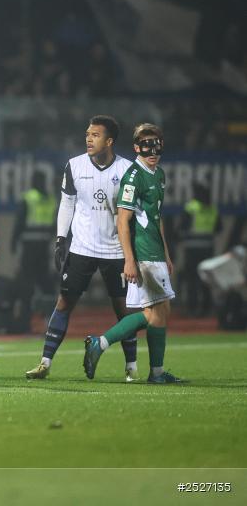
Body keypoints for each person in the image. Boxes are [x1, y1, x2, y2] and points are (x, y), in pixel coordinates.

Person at [24, 116, 138, 381]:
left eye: (95, 135)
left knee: (123, 310)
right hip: (82, 247)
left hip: (115, 250)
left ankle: (131, 367)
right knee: (63, 303)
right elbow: (67, 203)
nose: (89, 138)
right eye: (87, 134)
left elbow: (134, 213)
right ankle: (44, 362)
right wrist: (61, 239)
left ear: (109, 141)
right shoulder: (74, 165)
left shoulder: (127, 170)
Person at [84, 123, 184, 383]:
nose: (153, 151)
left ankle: (155, 371)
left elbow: (156, 217)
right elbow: (122, 221)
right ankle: (102, 343)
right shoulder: (133, 177)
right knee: (157, 312)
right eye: (147, 146)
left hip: (155, 252)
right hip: (143, 254)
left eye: (157, 145)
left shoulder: (158, 174)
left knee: (159, 311)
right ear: (137, 148)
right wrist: (129, 259)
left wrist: (166, 253)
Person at [11, 170, 56, 311]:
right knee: (44, 280)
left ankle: (26, 314)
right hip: (44, 246)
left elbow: (19, 222)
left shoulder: (28, 198)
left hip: (30, 247)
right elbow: (55, 224)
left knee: (27, 280)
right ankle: (48, 316)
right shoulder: (51, 199)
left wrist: (13, 241)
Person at [178, 182, 220, 317]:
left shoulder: (191, 207)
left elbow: (182, 227)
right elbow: (219, 227)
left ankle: (192, 308)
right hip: (208, 249)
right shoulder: (212, 208)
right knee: (206, 280)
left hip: (192, 249)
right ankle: (207, 308)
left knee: (192, 280)